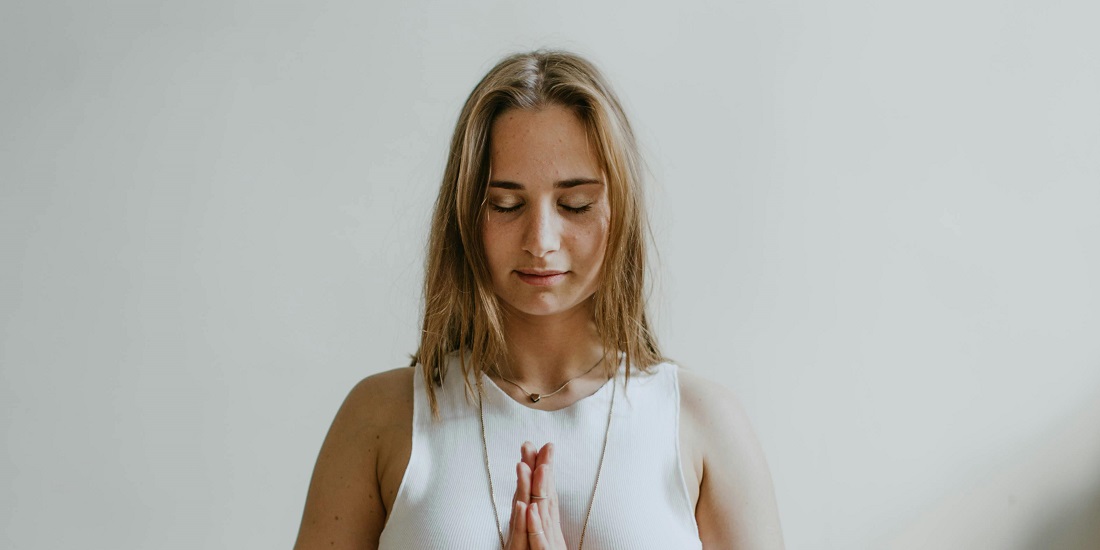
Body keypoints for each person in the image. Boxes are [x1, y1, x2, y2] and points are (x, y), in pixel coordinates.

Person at [293, 50, 785, 550]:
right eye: (506, 205)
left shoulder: (703, 423)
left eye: (576, 205)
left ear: (622, 211)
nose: (541, 240)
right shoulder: (380, 419)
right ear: (464, 215)